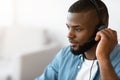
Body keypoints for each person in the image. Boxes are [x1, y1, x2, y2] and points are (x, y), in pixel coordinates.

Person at [35, 0, 120, 80]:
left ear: (100, 29)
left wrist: (103, 58)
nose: (69, 35)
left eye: (78, 29)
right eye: (68, 27)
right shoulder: (65, 54)